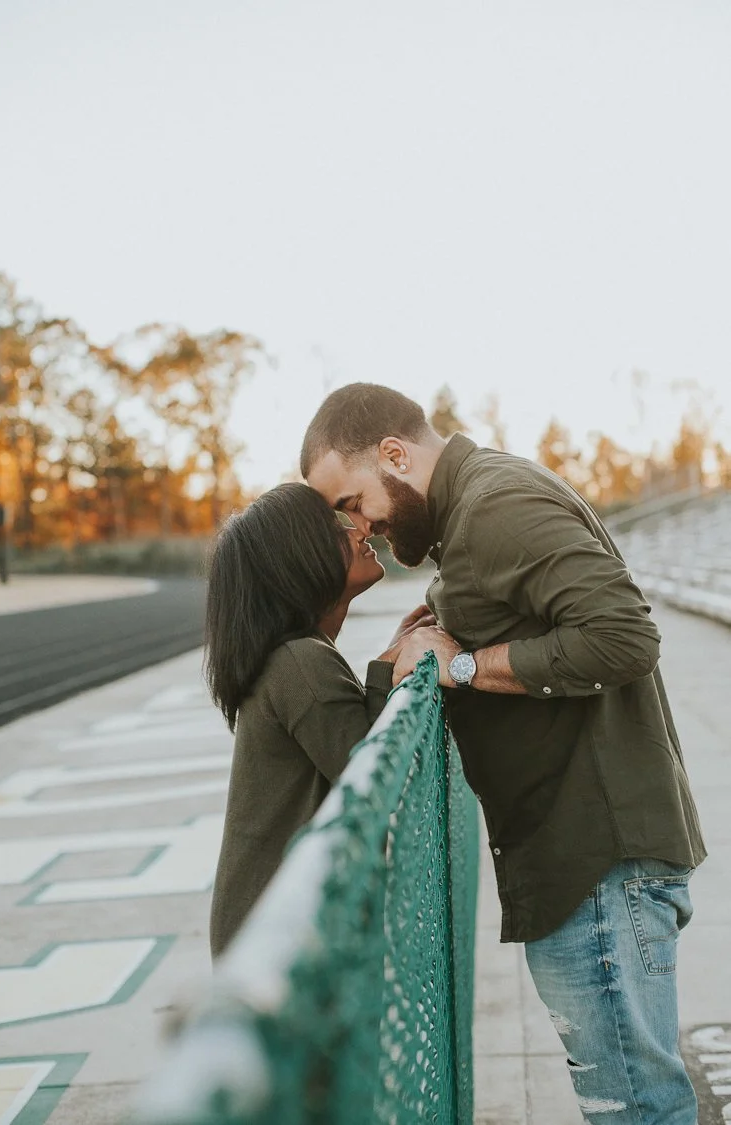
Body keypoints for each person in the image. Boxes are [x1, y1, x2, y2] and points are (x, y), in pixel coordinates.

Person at [301, 383, 706, 1125]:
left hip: (598, 865)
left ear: (395, 455)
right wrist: (444, 622)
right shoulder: (478, 507)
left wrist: (460, 665)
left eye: (354, 502)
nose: (361, 527)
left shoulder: (494, 503)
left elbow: (625, 636)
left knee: (639, 1111)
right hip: (584, 863)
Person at [204, 482, 432, 959]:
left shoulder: (300, 658)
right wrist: (387, 668)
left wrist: (390, 660)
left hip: (281, 930)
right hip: (276, 946)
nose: (356, 530)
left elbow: (352, 750)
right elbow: (375, 779)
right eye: (333, 529)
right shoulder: (299, 663)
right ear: (298, 560)